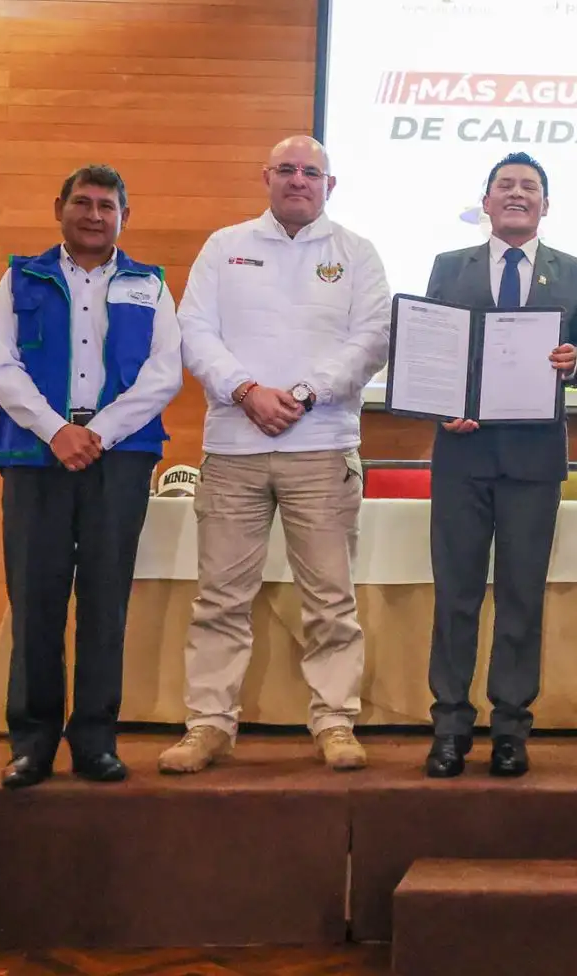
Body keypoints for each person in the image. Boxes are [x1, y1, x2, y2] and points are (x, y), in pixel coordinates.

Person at [161, 136, 391, 775]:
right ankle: (209, 724)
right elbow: (194, 331)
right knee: (220, 599)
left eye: (310, 172)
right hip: (234, 446)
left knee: (330, 600)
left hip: (322, 446)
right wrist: (245, 390)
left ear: (330, 184)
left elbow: (373, 338)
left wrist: (302, 393)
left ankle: (335, 720)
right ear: (265, 176)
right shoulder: (224, 246)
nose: (298, 180)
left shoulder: (357, 254)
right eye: (287, 170)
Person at [0, 164, 182, 789]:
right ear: (59, 208)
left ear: (125, 216)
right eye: (83, 202)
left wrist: (101, 432)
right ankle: (33, 743)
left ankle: (95, 740)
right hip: (36, 456)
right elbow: (1, 367)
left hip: (117, 459)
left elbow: (164, 373)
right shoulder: (21, 278)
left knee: (105, 602)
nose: (95, 215)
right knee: (35, 599)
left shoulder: (150, 285)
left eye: (107, 206)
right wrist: (57, 431)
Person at [423, 152, 577, 779]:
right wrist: (442, 406)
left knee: (522, 596)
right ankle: (448, 726)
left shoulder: (574, 272)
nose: (517, 194)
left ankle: (510, 728)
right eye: (506, 186)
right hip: (462, 454)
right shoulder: (449, 267)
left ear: (545, 205)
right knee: (456, 595)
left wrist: (572, 360)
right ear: (487, 201)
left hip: (533, 457)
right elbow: (430, 351)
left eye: (530, 187)